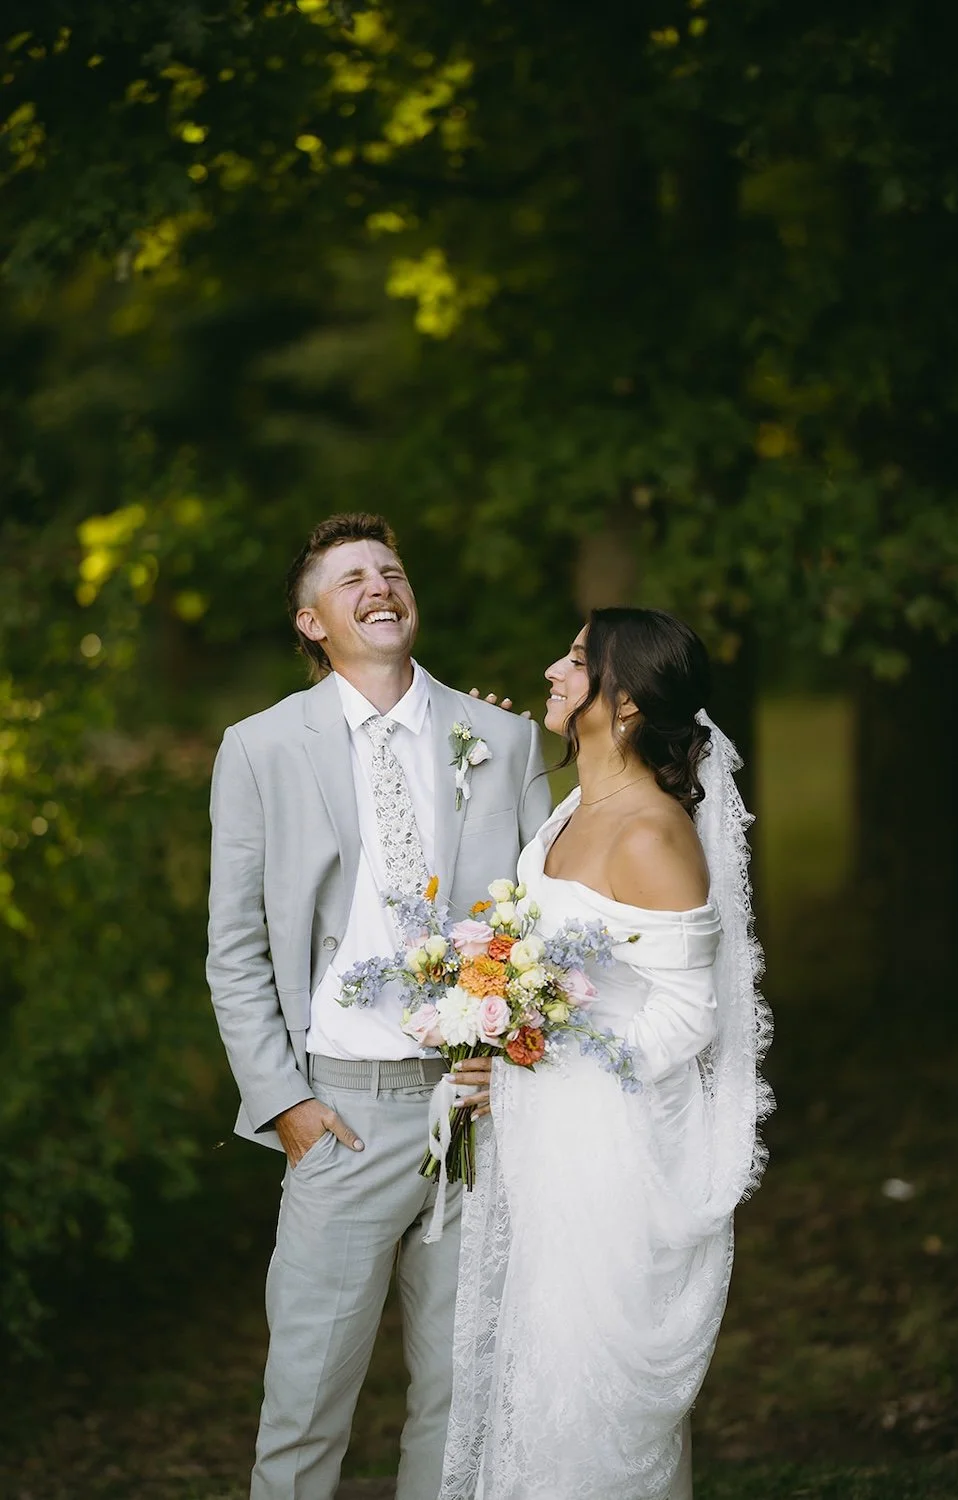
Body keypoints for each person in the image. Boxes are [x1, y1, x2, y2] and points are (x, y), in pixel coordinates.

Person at [206, 512, 551, 1500]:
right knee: (307, 1403)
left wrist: (514, 1051)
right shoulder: (261, 747)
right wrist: (287, 1105)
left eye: (390, 569)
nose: (379, 584)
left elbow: (542, 919)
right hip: (341, 1119)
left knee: (458, 1400)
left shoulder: (502, 737)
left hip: (477, 1120)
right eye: (351, 575)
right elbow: (231, 949)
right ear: (313, 622)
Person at [442, 607, 773, 1500]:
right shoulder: (566, 819)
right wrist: (503, 1036)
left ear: (624, 705)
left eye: (579, 659)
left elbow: (685, 1019)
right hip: (550, 1140)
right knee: (538, 1363)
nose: (554, 667)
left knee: (584, 1380)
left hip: (612, 1152)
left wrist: (541, 1050)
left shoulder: (649, 832)